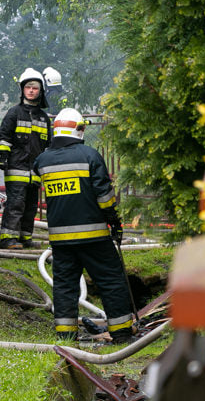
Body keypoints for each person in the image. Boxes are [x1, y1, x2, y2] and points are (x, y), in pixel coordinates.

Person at [33, 108, 135, 343]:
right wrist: (114, 222)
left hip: (60, 240)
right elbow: (105, 198)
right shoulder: (90, 155)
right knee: (111, 281)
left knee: (65, 287)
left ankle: (66, 336)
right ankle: (121, 334)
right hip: (94, 237)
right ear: (78, 130)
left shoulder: (43, 160)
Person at [0, 68, 52, 249]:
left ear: (40, 91)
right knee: (15, 205)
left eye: (35, 88)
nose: (31, 91)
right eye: (28, 87)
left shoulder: (44, 118)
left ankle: (24, 237)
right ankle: (7, 239)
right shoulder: (14, 113)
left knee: (30, 207)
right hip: (16, 169)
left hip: (34, 173)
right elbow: (3, 138)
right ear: (22, 90)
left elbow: (48, 146)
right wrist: (2, 158)